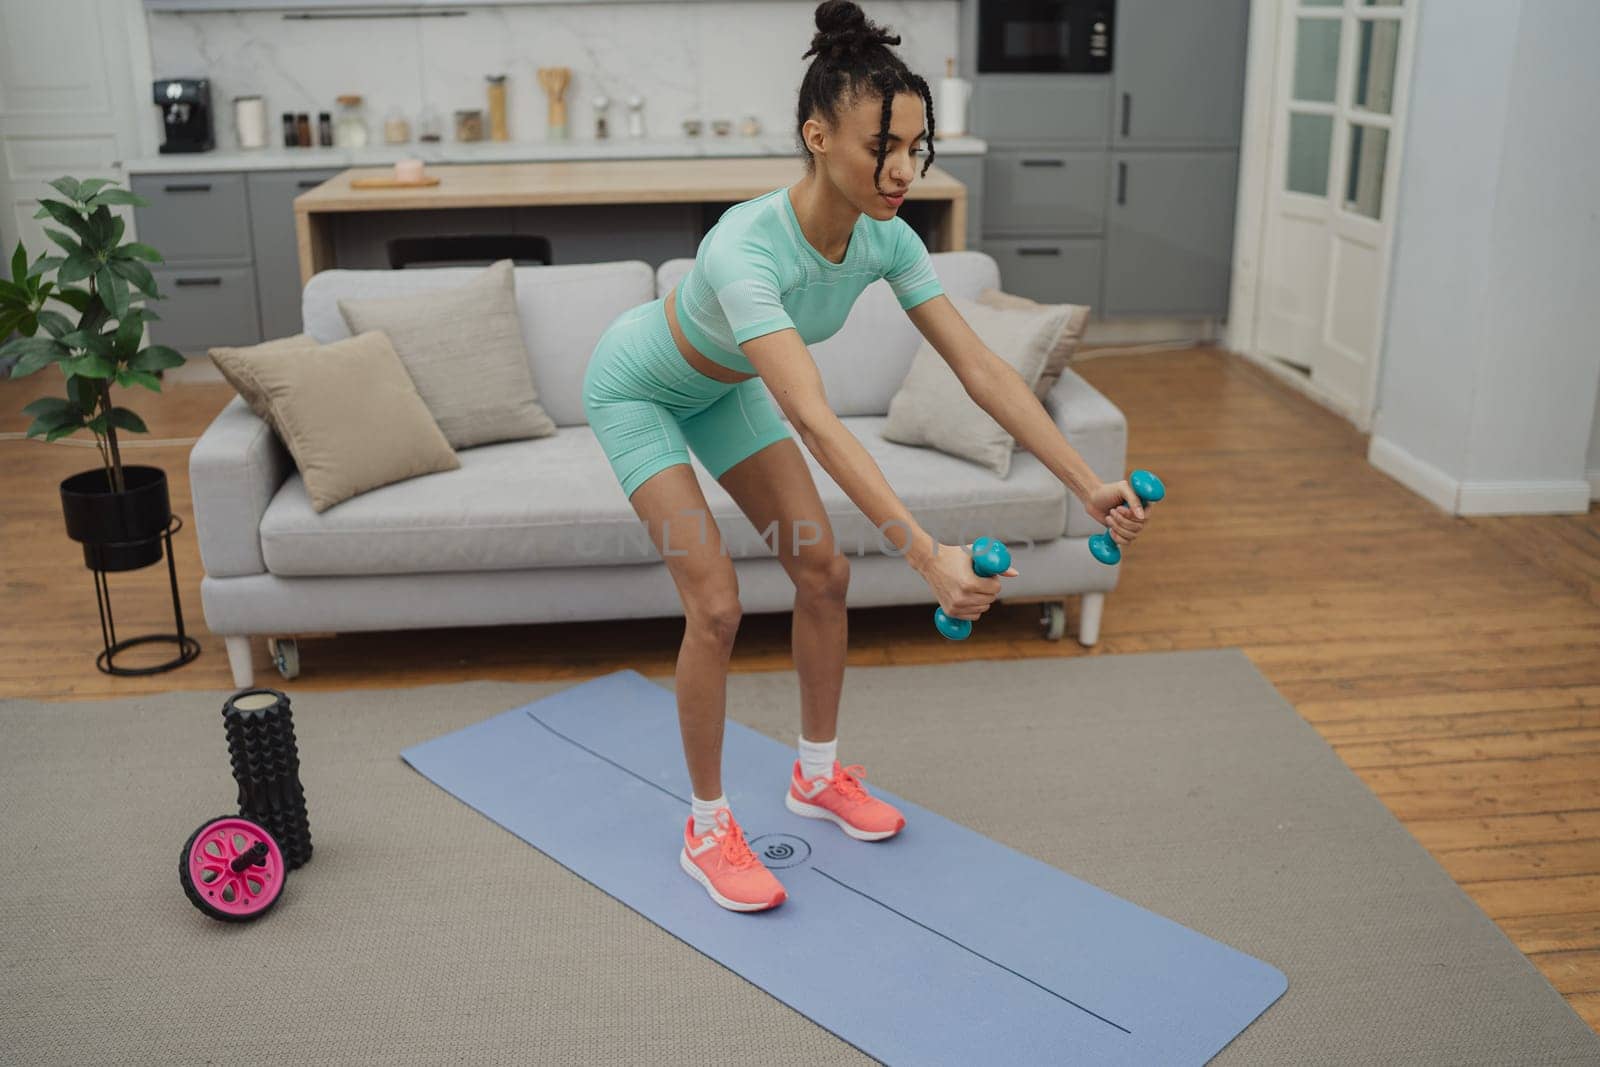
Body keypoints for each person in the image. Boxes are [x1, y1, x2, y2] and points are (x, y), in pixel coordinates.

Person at [581, 0, 1150, 913]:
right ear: (816, 137)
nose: (900, 170)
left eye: (914, 148)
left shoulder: (887, 237)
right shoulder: (745, 248)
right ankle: (706, 824)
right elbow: (813, 417)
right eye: (879, 148)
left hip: (720, 391)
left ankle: (815, 775)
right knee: (717, 604)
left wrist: (1087, 483)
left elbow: (979, 368)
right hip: (639, 389)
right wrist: (926, 553)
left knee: (823, 569)